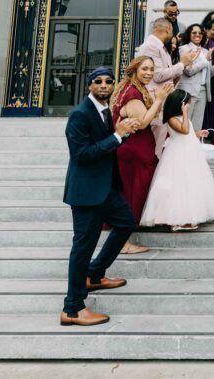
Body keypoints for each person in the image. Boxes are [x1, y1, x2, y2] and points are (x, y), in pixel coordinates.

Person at [60, 67, 140, 327]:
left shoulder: (104, 111)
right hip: (86, 193)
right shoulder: (80, 115)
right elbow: (82, 154)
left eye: (108, 81)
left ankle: (95, 274)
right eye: (98, 82)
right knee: (82, 247)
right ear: (89, 86)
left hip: (105, 189)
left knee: (126, 221)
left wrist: (120, 134)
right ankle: (72, 308)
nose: (104, 85)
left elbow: (107, 146)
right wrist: (118, 135)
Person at [141, 89, 214, 231]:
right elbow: (184, 130)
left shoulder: (180, 118)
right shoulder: (172, 118)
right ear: (181, 104)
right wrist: (185, 113)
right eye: (187, 104)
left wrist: (198, 134)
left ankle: (187, 216)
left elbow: (187, 133)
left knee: (190, 183)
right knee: (179, 184)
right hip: (178, 154)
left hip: (189, 151)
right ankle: (176, 220)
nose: (189, 106)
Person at [109, 55, 168, 253]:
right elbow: (143, 122)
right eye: (144, 69)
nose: (149, 73)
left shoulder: (129, 88)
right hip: (133, 154)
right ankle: (123, 244)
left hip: (136, 152)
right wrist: (159, 99)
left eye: (151, 69)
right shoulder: (133, 93)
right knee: (131, 197)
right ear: (134, 69)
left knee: (133, 195)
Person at [136, 17, 196, 154]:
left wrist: (185, 65)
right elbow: (158, 75)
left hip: (164, 102)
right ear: (168, 29)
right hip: (156, 101)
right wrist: (182, 63)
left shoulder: (161, 47)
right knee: (157, 147)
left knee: (162, 144)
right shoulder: (151, 46)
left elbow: (168, 76)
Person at [178, 23, 214, 132]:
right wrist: (205, 60)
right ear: (189, 35)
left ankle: (195, 147)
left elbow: (208, 74)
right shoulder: (184, 49)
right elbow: (188, 71)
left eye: (200, 33)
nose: (197, 35)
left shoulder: (205, 51)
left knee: (197, 125)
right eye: (194, 32)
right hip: (189, 91)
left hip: (203, 91)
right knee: (186, 123)